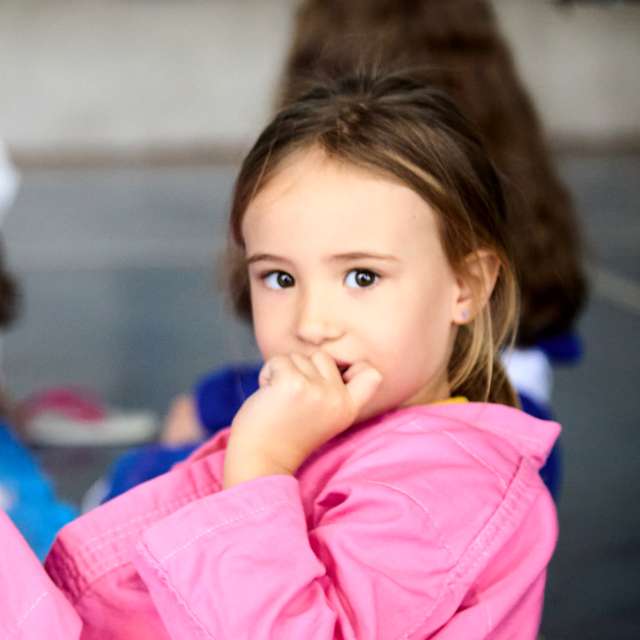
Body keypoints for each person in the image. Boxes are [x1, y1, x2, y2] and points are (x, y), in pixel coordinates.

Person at [1, 71, 560, 638]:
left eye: (362, 276)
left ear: (466, 287)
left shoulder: (442, 488)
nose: (311, 323)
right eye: (279, 277)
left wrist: (257, 472)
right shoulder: (335, 433)